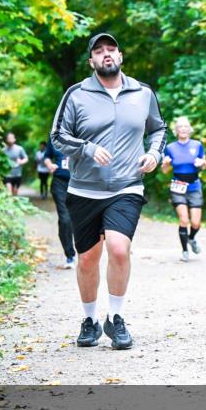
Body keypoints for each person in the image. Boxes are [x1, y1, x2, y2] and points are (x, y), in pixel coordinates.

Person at [50, 32, 167, 351]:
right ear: (91, 61)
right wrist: (86, 148)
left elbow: (158, 129)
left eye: (111, 50)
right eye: (99, 51)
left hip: (127, 186)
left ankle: (115, 319)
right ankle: (89, 321)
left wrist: (155, 154)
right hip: (84, 190)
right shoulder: (76, 94)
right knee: (87, 259)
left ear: (120, 56)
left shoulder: (142, 93)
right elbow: (58, 136)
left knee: (118, 249)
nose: (106, 55)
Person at [161, 117, 206, 262]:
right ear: (176, 130)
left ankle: (192, 239)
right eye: (180, 126)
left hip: (194, 186)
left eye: (185, 126)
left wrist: (202, 163)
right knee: (184, 219)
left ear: (190, 129)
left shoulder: (197, 145)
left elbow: (205, 164)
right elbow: (164, 170)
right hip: (178, 187)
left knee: (195, 223)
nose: (182, 128)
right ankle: (185, 251)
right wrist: (165, 164)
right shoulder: (170, 147)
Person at [42, 135, 76, 269]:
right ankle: (70, 255)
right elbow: (47, 156)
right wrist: (49, 165)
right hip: (60, 183)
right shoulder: (55, 136)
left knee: (77, 219)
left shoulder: (84, 132)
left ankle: (85, 251)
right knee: (65, 219)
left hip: (81, 183)